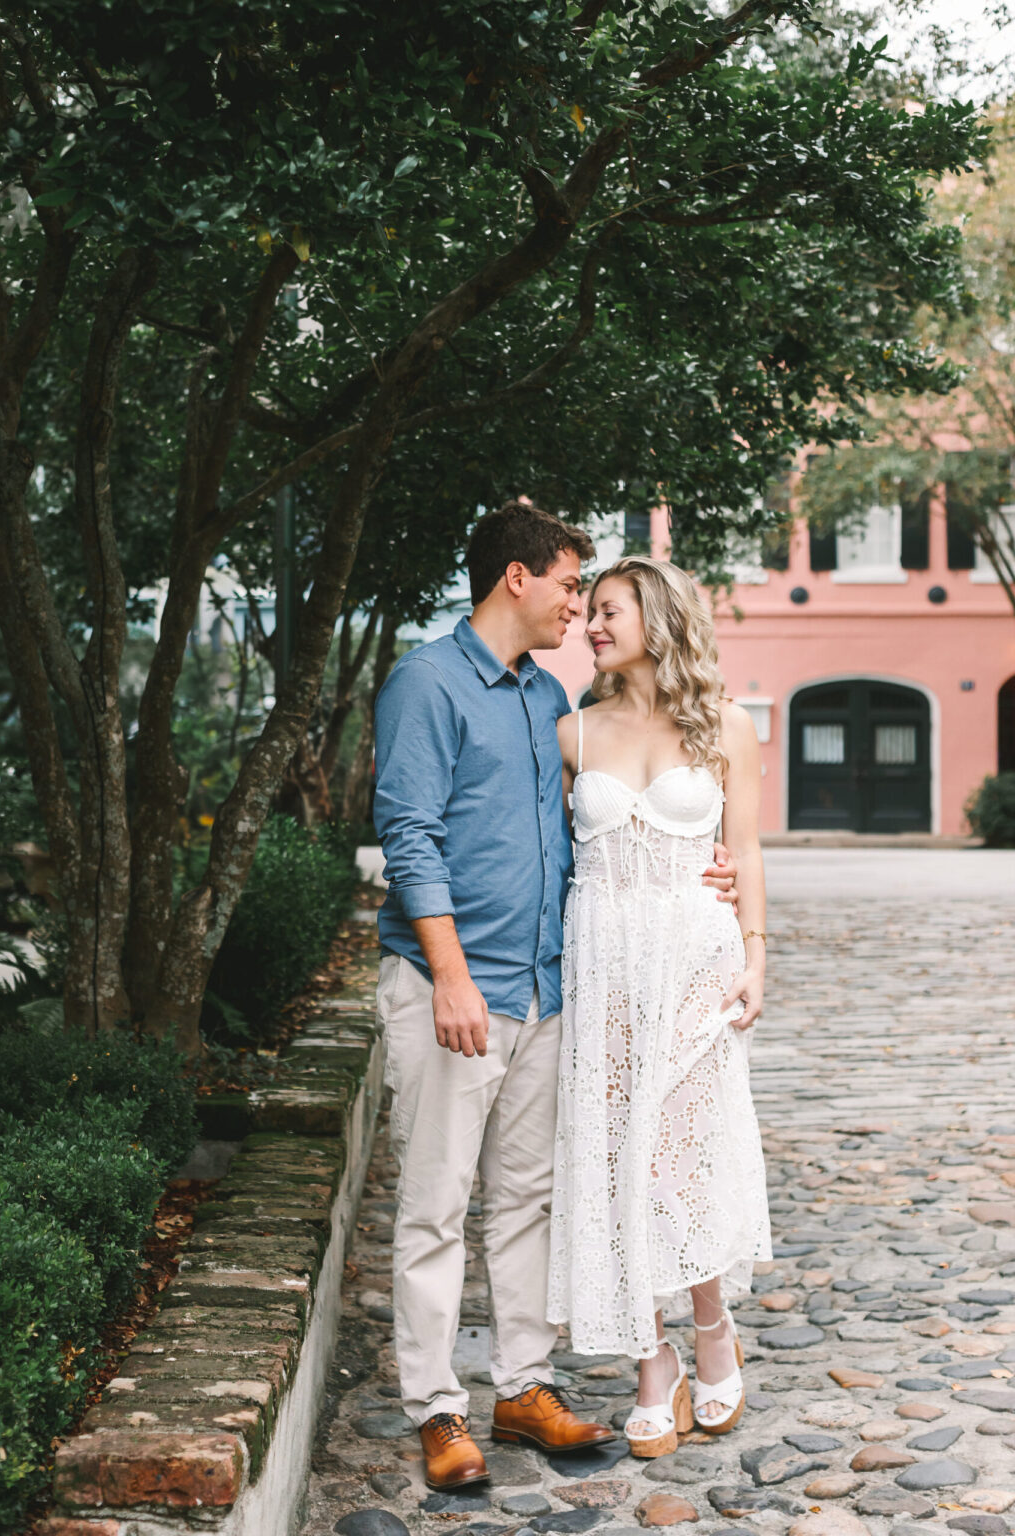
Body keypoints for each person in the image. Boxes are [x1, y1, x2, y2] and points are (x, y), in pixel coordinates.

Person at [373, 506, 739, 1491]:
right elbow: (409, 835)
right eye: (570, 586)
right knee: (436, 1207)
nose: (578, 608)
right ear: (515, 578)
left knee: (526, 1204)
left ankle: (522, 1387)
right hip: (456, 988)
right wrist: (448, 975)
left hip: (546, 990)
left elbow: (605, 832)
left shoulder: (547, 702)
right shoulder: (426, 682)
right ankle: (436, 1408)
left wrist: (707, 881)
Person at [546, 556, 771, 1458]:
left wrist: (757, 954)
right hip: (602, 970)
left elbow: (745, 851)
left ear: (659, 615)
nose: (593, 625)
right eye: (589, 610)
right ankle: (653, 1358)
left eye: (609, 610)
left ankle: (712, 1325)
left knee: (685, 1155)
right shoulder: (573, 733)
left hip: (695, 963)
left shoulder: (725, 726)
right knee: (614, 1160)